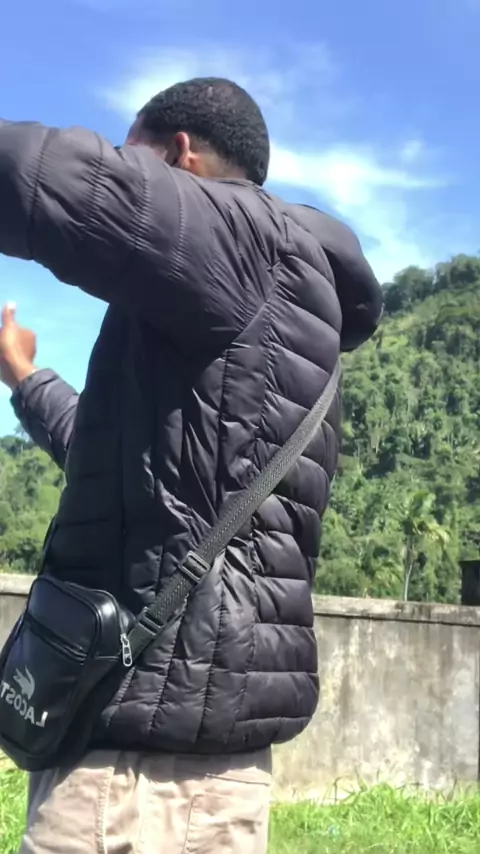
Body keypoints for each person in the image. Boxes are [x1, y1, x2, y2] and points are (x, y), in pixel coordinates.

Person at [0, 78, 383, 853]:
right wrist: (24, 376)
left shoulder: (244, 243)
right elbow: (127, 469)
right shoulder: (265, 308)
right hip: (192, 772)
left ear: (180, 156)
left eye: (132, 156)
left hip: (141, 786)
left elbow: (41, 174)